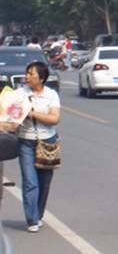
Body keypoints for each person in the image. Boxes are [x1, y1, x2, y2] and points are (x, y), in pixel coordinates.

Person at [17, 61, 61, 232]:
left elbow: (54, 119)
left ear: (41, 78)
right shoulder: (19, 93)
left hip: (47, 142)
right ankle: (32, 220)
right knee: (30, 182)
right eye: (27, 73)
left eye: (31, 74)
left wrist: (31, 113)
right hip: (25, 141)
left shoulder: (51, 95)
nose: (27, 77)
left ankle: (39, 214)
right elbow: (9, 111)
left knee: (44, 182)